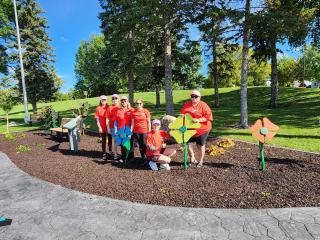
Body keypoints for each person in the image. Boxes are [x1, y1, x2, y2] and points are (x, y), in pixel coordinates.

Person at [180, 90, 213, 167]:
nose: (194, 98)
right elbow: (182, 114)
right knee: (185, 143)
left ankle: (200, 161)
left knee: (200, 144)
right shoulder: (187, 105)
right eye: (192, 96)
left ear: (200, 97)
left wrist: (198, 120)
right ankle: (192, 158)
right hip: (189, 129)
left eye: (196, 96)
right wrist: (182, 116)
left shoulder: (204, 105)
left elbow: (208, 117)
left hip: (202, 129)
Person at [111, 96, 133, 162]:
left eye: (125, 101)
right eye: (122, 101)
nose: (124, 102)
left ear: (127, 102)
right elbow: (115, 122)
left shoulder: (131, 110)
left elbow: (133, 121)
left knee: (128, 145)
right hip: (121, 131)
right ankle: (123, 158)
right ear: (121, 102)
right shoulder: (118, 111)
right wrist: (115, 130)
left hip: (128, 130)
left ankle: (128, 157)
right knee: (123, 144)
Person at [94, 95, 109, 160]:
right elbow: (97, 120)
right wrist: (99, 127)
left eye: (105, 99)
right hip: (102, 127)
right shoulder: (98, 108)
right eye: (102, 100)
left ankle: (111, 151)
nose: (104, 101)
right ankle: (104, 153)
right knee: (103, 141)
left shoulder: (109, 107)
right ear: (100, 100)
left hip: (109, 127)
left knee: (111, 140)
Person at [106, 94, 120, 159]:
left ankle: (124, 154)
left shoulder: (121, 106)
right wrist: (108, 128)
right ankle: (115, 154)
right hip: (113, 127)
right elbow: (107, 118)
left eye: (116, 98)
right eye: (113, 98)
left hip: (121, 126)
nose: (114, 100)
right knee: (115, 141)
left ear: (118, 99)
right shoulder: (110, 107)